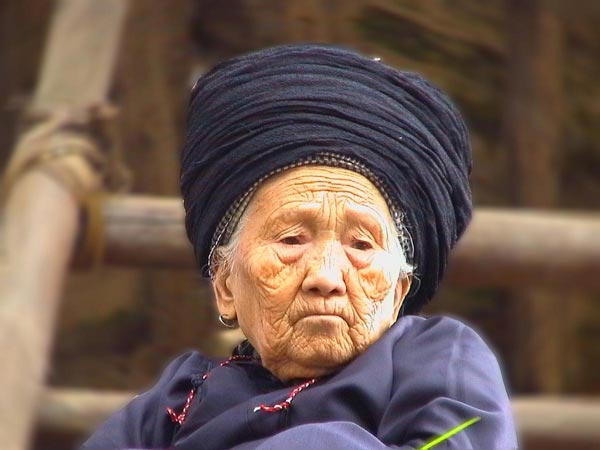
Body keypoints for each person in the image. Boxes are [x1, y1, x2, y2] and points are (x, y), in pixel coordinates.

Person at [80, 44, 517, 450]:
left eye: (361, 245)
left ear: (400, 290)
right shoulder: (178, 398)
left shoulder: (436, 357)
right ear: (226, 285)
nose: (325, 276)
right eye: (291, 240)